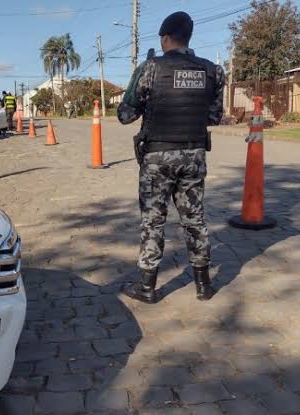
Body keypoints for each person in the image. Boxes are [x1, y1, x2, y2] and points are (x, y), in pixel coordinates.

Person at [118, 11, 225, 304]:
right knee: (195, 218)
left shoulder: (150, 68)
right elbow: (215, 116)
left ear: (165, 37)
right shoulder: (213, 71)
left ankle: (147, 287)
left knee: (153, 222)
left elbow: (125, 115)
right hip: (194, 154)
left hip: (158, 158)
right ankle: (204, 286)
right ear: (188, 38)